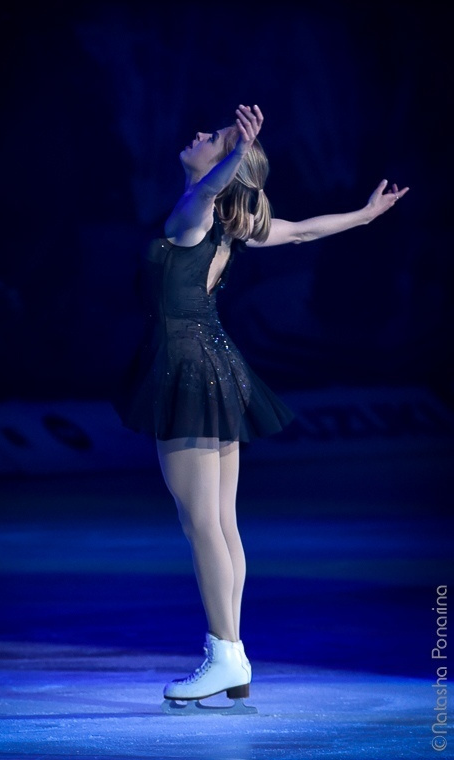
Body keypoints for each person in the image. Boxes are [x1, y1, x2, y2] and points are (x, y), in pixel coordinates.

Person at [114, 104, 409, 711]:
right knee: (222, 523)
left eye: (214, 137)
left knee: (203, 526)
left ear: (223, 167)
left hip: (189, 372)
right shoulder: (227, 226)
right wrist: (363, 214)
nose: (197, 133)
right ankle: (234, 655)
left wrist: (231, 158)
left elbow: (226, 196)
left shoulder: (194, 215)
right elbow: (299, 230)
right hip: (218, 367)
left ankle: (223, 655)